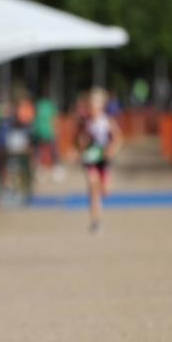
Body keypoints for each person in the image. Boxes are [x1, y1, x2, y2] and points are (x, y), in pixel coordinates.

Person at [75, 87, 123, 234]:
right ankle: (95, 221)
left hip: (104, 159)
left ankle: (103, 189)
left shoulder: (107, 121)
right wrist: (82, 146)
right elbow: (79, 140)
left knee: (105, 191)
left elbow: (118, 138)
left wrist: (112, 150)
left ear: (101, 106)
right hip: (90, 159)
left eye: (96, 105)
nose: (93, 109)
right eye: (90, 105)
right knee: (92, 186)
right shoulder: (85, 122)